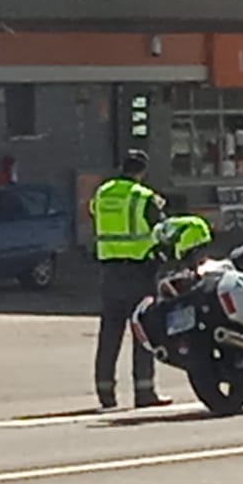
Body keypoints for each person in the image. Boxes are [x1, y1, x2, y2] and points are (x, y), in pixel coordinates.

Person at [89, 149, 173, 410]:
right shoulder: (144, 197)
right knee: (143, 330)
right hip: (140, 271)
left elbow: (93, 212)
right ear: (142, 171)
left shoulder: (103, 193)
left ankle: (105, 392)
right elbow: (162, 231)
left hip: (109, 271)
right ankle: (144, 391)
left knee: (110, 332)